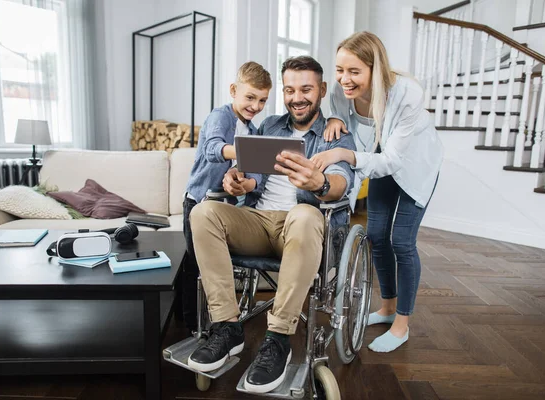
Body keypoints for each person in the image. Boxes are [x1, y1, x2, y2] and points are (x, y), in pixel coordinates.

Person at [187, 56, 355, 393]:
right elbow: (252, 178)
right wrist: (238, 180)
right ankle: (227, 327)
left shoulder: (335, 134)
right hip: (257, 220)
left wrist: (318, 182)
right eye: (290, 90)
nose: (297, 97)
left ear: (322, 90)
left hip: (302, 224)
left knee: (307, 215)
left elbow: (341, 183)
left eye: (306, 89)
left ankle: (277, 338)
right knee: (202, 213)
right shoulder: (269, 127)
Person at [311, 32, 444, 353]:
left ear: (376, 69)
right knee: (376, 236)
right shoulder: (341, 96)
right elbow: (347, 135)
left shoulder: (407, 94)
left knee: (401, 241)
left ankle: (402, 324)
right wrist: (333, 120)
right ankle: (386, 308)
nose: (344, 79)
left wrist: (343, 156)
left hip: (415, 164)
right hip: (379, 157)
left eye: (354, 71)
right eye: (339, 70)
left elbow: (393, 159)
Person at [182, 62, 272, 332]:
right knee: (195, 266)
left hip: (226, 210)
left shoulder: (254, 131)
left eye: (262, 100)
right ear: (234, 90)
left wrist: (245, 172)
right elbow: (212, 149)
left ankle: (219, 318)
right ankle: (192, 326)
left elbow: (256, 170)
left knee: (218, 265)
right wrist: (246, 154)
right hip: (198, 202)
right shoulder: (221, 116)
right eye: (250, 97)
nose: (255, 106)